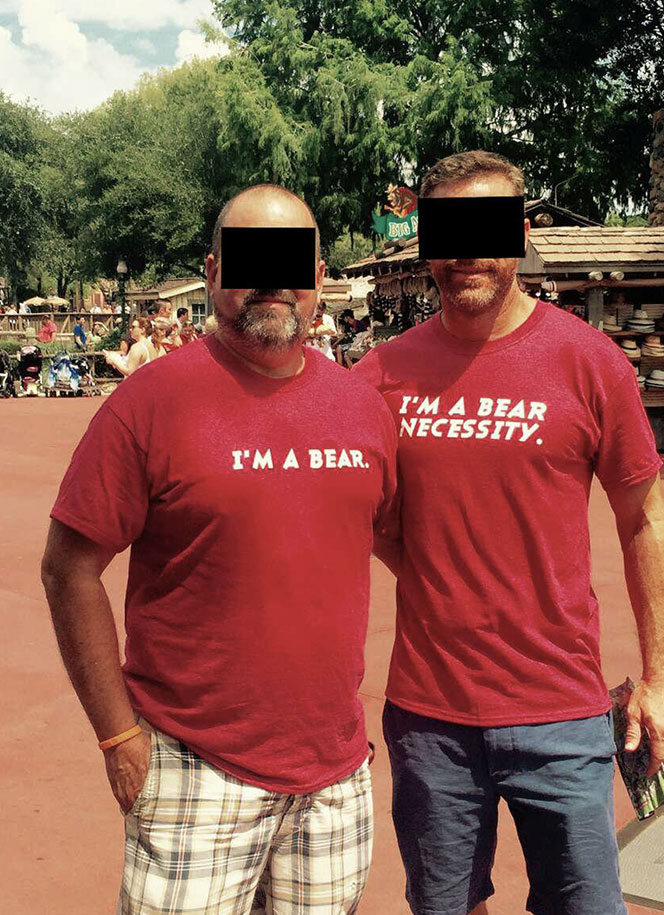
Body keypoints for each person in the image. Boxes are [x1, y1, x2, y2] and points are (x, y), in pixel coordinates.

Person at [41, 183, 397, 915]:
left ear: (318, 278)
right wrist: (116, 735)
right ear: (212, 272)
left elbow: (394, 540)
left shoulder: (363, 408)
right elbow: (68, 567)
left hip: (332, 777)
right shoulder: (151, 402)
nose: (272, 281)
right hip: (192, 769)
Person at [353, 150, 664, 915]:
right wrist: (437, 571)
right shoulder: (381, 377)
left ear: (522, 234)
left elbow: (643, 517)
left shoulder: (589, 361)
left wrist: (663, 678)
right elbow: (367, 514)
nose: (466, 252)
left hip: (561, 713)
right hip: (431, 718)